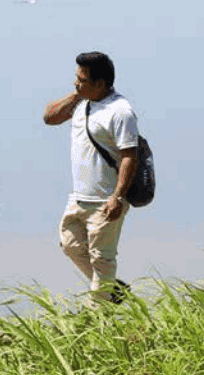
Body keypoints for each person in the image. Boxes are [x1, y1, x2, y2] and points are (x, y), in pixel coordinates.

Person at [42, 51, 139, 303]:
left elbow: (130, 156)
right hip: (79, 198)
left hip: (106, 199)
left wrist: (117, 197)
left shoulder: (120, 111)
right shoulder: (82, 104)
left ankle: (99, 315)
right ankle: (113, 290)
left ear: (100, 83)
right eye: (77, 78)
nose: (76, 83)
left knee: (102, 259)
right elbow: (49, 118)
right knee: (70, 245)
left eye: (82, 80)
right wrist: (77, 94)